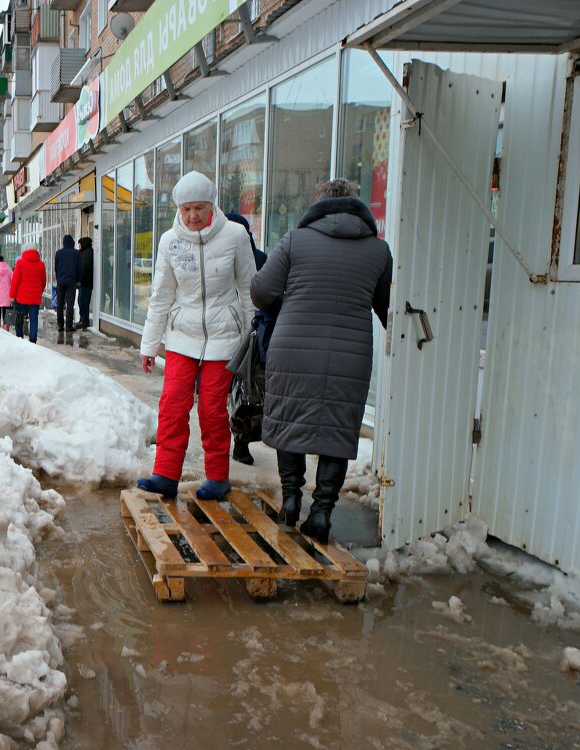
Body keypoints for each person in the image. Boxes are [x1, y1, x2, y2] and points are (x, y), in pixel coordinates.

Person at [251, 179, 392, 544]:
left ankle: (292, 500)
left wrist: (289, 303)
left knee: (290, 420)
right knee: (337, 430)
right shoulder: (379, 251)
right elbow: (388, 309)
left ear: (318, 206)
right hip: (350, 355)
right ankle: (322, 513)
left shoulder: (295, 241)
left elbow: (261, 291)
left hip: (292, 347)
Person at [136, 171, 255, 501]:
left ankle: (217, 476)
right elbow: (160, 296)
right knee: (172, 406)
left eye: (199, 208)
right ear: (179, 208)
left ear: (211, 204)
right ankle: (165, 474)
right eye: (187, 209)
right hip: (181, 336)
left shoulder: (234, 235)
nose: (193, 216)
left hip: (223, 338)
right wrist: (149, 345)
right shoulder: (168, 241)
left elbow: (248, 289)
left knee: (212, 410)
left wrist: (251, 340)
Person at [223, 212, 273, 466]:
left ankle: (237, 440)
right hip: (250, 333)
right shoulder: (261, 257)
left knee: (235, 389)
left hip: (241, 334)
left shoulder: (251, 257)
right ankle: (239, 442)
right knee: (245, 389)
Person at [9, 247, 46, 343]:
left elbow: (15, 281)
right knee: (34, 319)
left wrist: (12, 295)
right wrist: (39, 292)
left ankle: (19, 338)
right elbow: (43, 281)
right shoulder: (41, 265)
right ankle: (33, 340)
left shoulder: (20, 263)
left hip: (21, 298)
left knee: (19, 318)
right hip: (35, 299)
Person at [53, 234, 81, 331]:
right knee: (70, 304)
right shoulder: (76, 253)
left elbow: (56, 268)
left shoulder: (58, 253)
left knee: (60, 303)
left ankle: (60, 325)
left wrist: (58, 278)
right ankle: (69, 326)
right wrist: (78, 280)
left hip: (61, 281)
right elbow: (79, 268)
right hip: (71, 282)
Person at [76, 236, 94, 329]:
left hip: (85, 283)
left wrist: (79, 280)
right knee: (81, 301)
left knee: (83, 301)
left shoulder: (87, 253)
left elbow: (84, 269)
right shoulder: (84, 252)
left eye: (79, 244)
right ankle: (82, 319)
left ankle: (84, 321)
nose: (78, 246)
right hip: (85, 282)